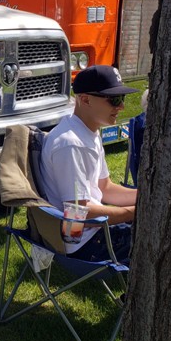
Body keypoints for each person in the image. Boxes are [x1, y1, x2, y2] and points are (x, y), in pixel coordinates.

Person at [39, 65, 139, 263]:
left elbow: (105, 188)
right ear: (85, 99)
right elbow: (79, 213)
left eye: (122, 99)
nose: (121, 107)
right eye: (114, 100)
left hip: (93, 231)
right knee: (168, 235)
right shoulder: (71, 144)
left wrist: (150, 197)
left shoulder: (87, 131)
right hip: (83, 244)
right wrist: (134, 213)